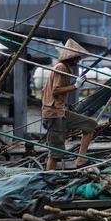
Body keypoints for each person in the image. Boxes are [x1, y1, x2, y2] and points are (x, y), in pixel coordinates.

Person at [41, 39, 97, 171]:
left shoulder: (66, 68)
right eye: (76, 57)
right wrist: (75, 86)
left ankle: (81, 159)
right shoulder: (61, 67)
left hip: (61, 111)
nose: (78, 60)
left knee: (90, 125)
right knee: (55, 153)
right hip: (53, 113)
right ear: (70, 57)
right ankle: (47, 177)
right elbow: (55, 90)